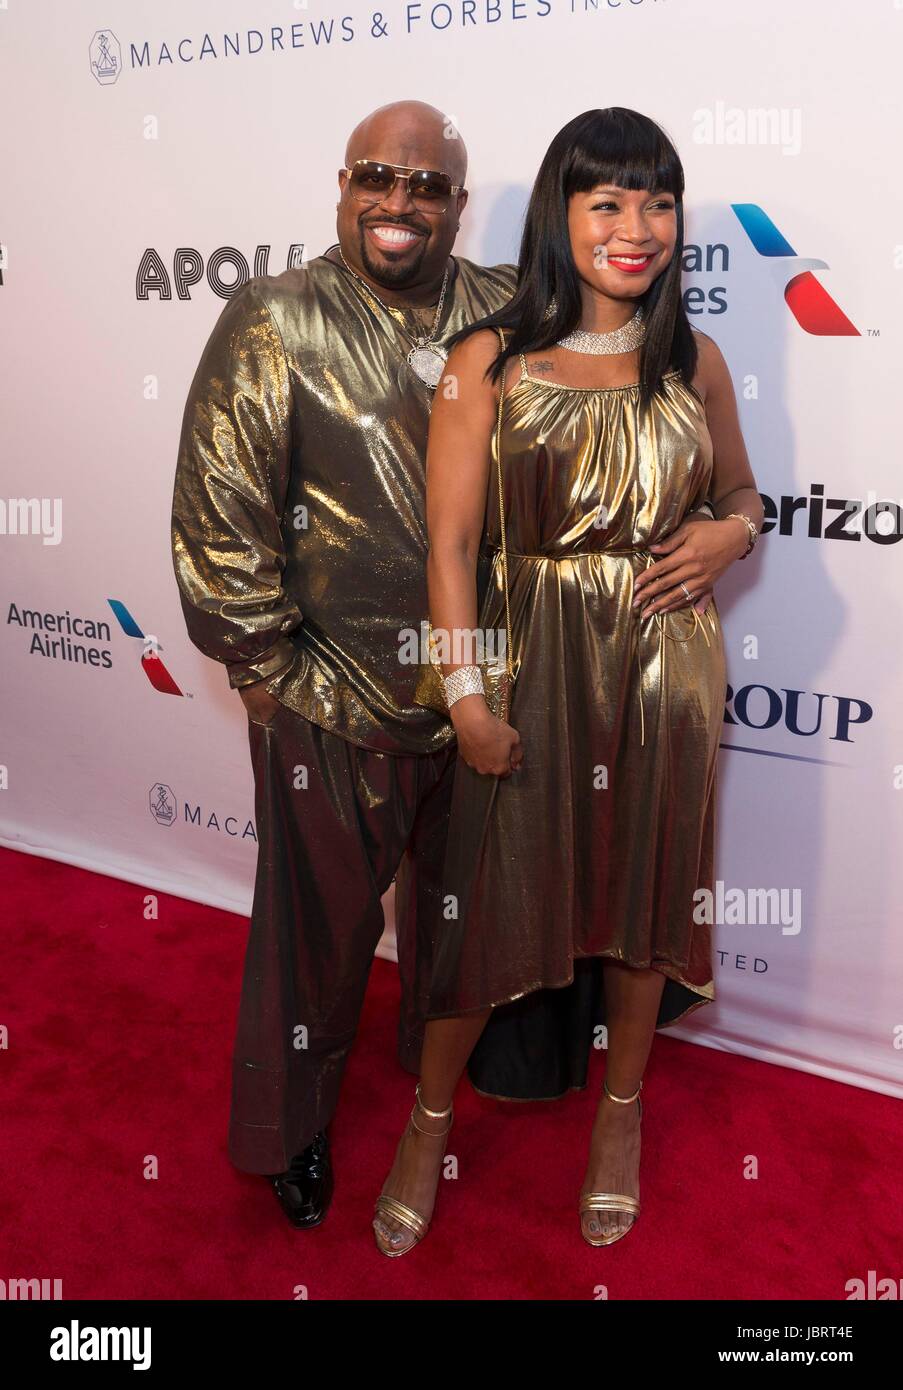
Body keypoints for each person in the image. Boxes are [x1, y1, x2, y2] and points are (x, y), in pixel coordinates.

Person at [372, 107, 763, 1255]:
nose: (635, 228)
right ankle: (425, 1121)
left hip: (665, 672)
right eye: (608, 202)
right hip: (529, 668)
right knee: (486, 913)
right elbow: (449, 548)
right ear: (563, 212)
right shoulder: (484, 359)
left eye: (656, 202)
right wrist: (465, 696)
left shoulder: (695, 358)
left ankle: (620, 1119)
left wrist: (729, 540)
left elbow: (744, 498)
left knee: (644, 911)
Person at [170, 100, 517, 1228]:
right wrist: (264, 669)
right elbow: (223, 508)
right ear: (343, 182)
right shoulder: (275, 317)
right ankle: (294, 1133)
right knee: (312, 940)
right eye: (381, 176)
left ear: (458, 205)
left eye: (428, 187)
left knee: (461, 919)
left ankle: (439, 1090)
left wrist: (730, 516)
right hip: (328, 693)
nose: (401, 203)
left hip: (478, 690)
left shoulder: (509, 310)